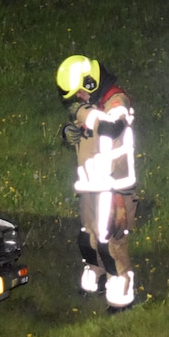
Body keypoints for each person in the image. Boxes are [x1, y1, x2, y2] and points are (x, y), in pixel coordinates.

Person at [55, 55, 138, 310]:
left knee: (111, 241)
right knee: (88, 237)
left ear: (91, 81)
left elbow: (112, 128)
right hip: (90, 184)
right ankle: (97, 275)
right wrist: (69, 133)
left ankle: (121, 291)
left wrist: (83, 113)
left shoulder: (116, 101)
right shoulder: (91, 104)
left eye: (80, 91)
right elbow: (87, 134)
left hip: (114, 186)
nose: (79, 97)